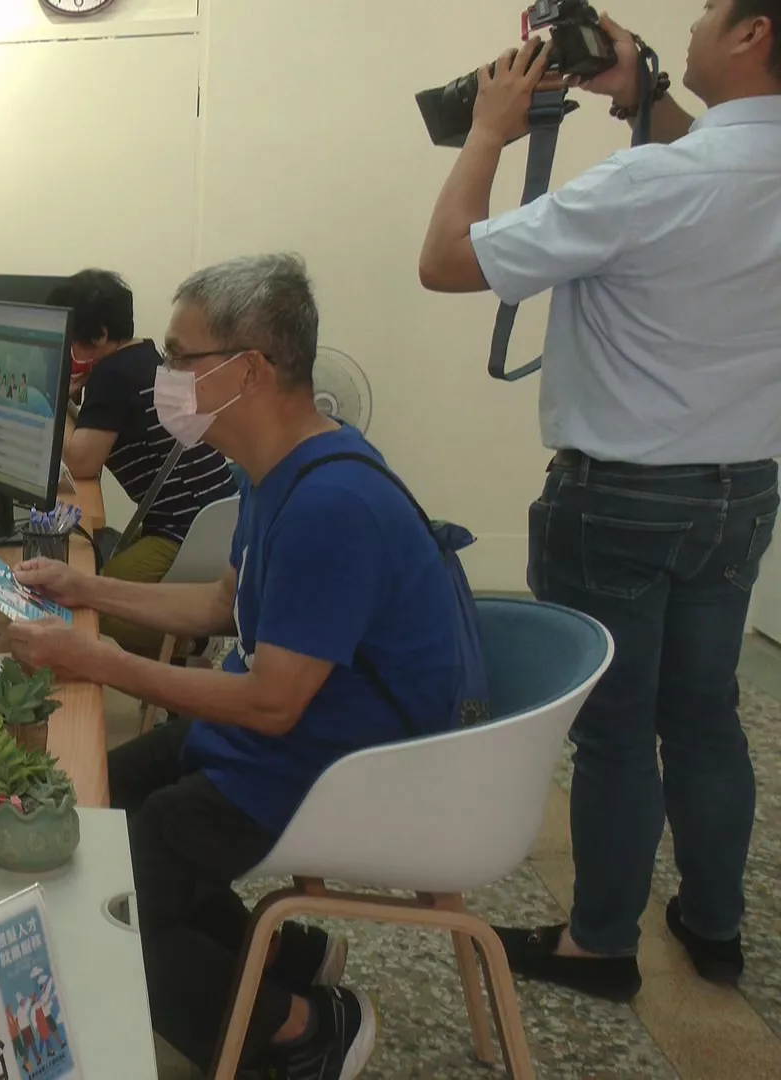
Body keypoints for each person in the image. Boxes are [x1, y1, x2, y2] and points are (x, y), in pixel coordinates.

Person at [5, 255, 465, 1077]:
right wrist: (87, 588)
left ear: (249, 369)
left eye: (181, 357)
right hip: (291, 731)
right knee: (88, 802)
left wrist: (98, 661)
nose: (164, 377)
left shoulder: (330, 503)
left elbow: (272, 703)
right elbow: (223, 606)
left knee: (97, 893)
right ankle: (279, 957)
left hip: (339, 762)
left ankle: (303, 1032)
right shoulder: (276, 467)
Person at [418, 3, 781, 1000]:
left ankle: (601, 945)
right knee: (705, 714)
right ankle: (715, 927)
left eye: (709, 13)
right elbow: (720, 169)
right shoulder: (694, 165)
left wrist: (489, 131)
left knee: (617, 727)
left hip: (621, 496)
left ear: (752, 34)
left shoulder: (645, 183)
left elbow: (446, 261)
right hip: (741, 493)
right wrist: (641, 94)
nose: (689, 25)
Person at [48, 269, 238, 657]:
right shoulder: (145, 357)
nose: (69, 349)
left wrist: (49, 399)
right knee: (101, 573)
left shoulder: (112, 375)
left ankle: (194, 644)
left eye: (73, 339)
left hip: (183, 529)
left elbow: (82, 461)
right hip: (217, 515)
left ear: (100, 335)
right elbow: (92, 435)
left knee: (99, 604)